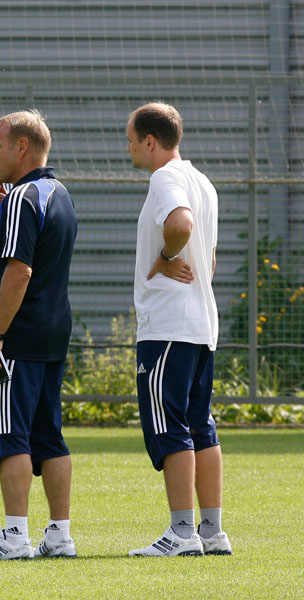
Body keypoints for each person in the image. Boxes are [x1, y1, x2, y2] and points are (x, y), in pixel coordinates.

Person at [0, 110, 78, 560]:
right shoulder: (59, 193)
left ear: (22, 147)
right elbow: (7, 257)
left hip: (19, 336)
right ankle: (60, 535)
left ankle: (15, 537)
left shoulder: (22, 198)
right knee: (50, 437)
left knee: (11, 434)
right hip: (53, 332)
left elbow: (18, 272)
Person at [125, 102, 232, 557]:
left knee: (170, 425)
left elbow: (181, 226)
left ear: (150, 141)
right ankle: (212, 531)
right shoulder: (202, 181)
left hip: (168, 326)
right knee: (200, 426)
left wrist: (166, 258)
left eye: (131, 140)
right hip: (201, 324)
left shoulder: (165, 178)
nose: (128, 148)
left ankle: (182, 533)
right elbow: (210, 257)